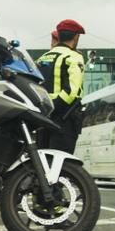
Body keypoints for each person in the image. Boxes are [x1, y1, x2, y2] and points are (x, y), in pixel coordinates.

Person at [36, 19, 86, 154]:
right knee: (61, 165)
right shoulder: (74, 57)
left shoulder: (42, 58)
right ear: (76, 37)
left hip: (42, 118)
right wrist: (55, 108)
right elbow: (72, 92)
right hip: (64, 120)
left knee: (43, 164)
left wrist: (46, 110)